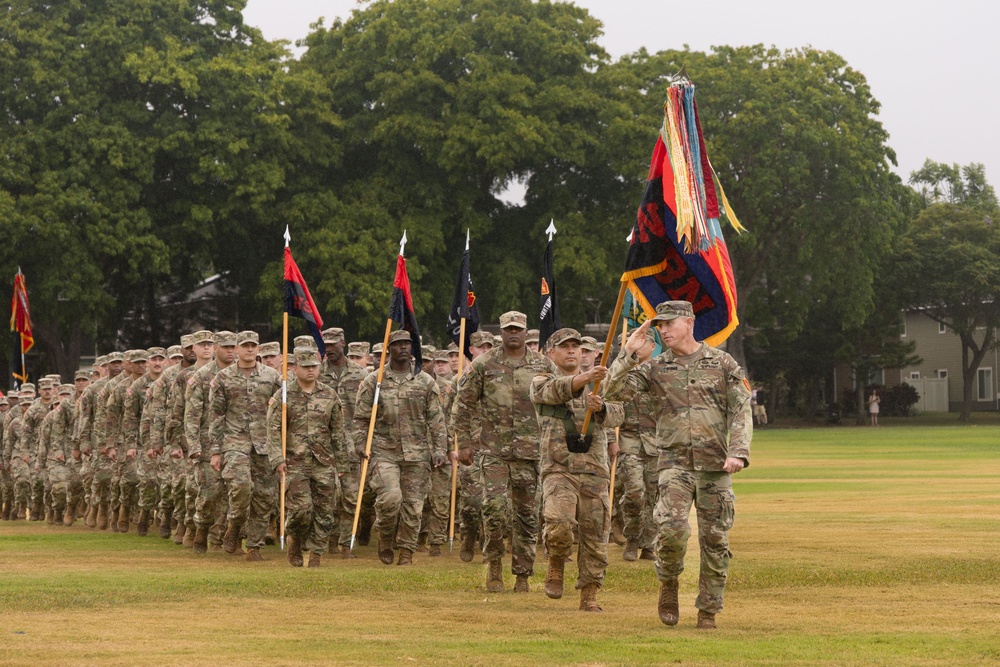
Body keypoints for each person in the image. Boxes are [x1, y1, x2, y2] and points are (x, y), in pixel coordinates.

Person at [605, 300, 752, 630]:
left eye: (669, 323)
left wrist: (739, 451)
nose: (663, 330)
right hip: (673, 464)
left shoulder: (722, 363)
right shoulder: (655, 368)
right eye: (659, 325)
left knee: (716, 540)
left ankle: (708, 610)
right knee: (671, 530)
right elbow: (610, 392)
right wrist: (627, 354)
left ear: (689, 321)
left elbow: (742, 409)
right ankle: (668, 583)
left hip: (716, 465)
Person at [454, 311, 556, 592]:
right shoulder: (484, 365)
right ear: (500, 332)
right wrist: (464, 442)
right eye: (508, 329)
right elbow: (463, 403)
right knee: (494, 510)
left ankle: (522, 574)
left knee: (526, 515)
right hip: (494, 450)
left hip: (530, 451)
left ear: (526, 333)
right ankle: (494, 564)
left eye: (518, 329)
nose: (513, 333)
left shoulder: (543, 365)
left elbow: (559, 399)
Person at [530, 328, 623, 612]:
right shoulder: (541, 379)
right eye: (565, 346)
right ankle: (556, 561)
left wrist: (603, 407)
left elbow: (620, 413)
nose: (572, 351)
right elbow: (554, 392)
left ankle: (589, 595)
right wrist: (586, 378)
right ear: (550, 353)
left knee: (596, 535)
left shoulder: (601, 384)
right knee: (558, 522)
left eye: (577, 346)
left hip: (595, 469)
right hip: (559, 467)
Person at [353, 329, 448, 566]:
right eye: (398, 344)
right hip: (384, 451)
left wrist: (440, 449)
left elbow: (436, 420)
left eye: (407, 343)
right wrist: (359, 444)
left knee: (414, 506)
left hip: (417, 453)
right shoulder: (373, 381)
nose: (403, 347)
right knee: (390, 498)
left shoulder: (426, 382)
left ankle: (406, 551)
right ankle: (385, 536)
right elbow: (361, 419)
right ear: (389, 349)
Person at [268, 346, 350, 567]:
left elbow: (338, 432)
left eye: (314, 366)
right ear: (295, 368)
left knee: (325, 510)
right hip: (294, 462)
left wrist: (342, 463)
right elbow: (273, 430)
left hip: (323, 461)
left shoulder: (329, 395)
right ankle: (295, 541)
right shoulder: (283, 396)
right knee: (301, 510)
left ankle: (316, 553)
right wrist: (277, 459)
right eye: (305, 367)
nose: (311, 370)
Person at [209, 331, 282, 561]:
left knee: (263, 497)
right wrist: (215, 450)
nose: (249, 350)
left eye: (253, 346)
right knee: (241, 487)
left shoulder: (273, 377)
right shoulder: (222, 378)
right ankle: (234, 526)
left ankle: (254, 546)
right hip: (234, 442)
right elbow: (216, 415)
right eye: (245, 346)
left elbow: (283, 411)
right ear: (237, 350)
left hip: (265, 444)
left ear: (258, 349)